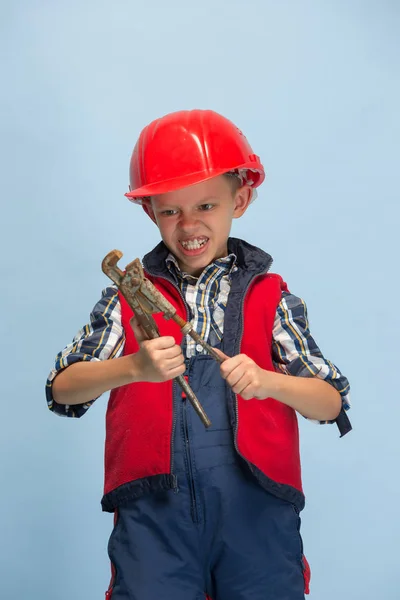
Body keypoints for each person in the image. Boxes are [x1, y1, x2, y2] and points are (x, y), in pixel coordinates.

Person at [46, 109, 351, 600]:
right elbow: (62, 389)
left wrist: (270, 381)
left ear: (242, 198)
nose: (188, 225)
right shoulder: (127, 296)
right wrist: (133, 368)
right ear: (150, 213)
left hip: (257, 515)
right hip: (154, 520)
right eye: (170, 211)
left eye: (206, 205)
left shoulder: (271, 298)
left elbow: (330, 402)